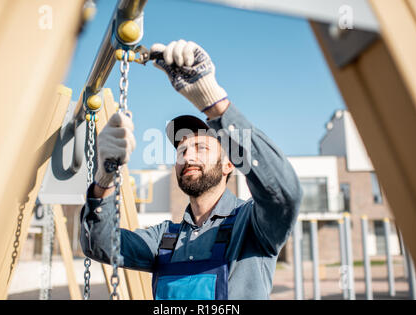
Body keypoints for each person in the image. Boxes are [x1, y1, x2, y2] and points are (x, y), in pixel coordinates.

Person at [80, 40, 303, 300]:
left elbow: (284, 195)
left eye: (201, 148)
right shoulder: (164, 237)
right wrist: (105, 177)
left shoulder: (252, 225)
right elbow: (98, 243)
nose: (188, 156)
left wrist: (214, 103)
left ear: (229, 163)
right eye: (182, 150)